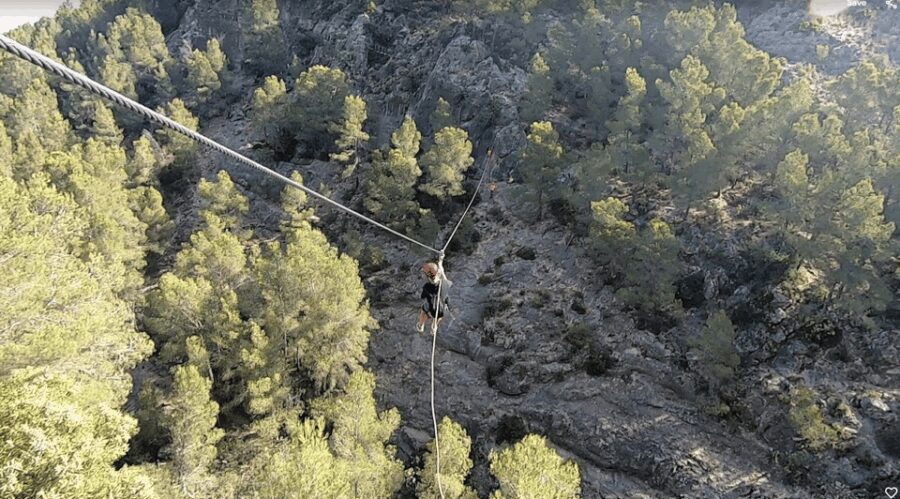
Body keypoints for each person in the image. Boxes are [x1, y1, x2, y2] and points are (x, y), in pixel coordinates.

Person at [417, 262, 450, 334]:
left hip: (432, 306)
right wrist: (440, 263)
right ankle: (434, 326)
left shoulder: (427, 286)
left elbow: (423, 296)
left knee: (423, 310)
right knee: (439, 315)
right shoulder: (444, 284)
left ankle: (420, 325)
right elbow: (443, 275)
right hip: (441, 308)